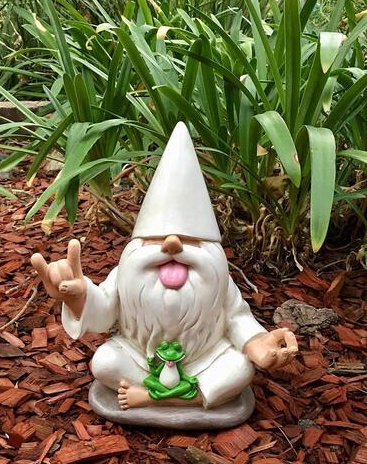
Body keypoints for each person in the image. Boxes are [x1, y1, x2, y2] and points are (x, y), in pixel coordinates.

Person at [31, 123, 298, 411]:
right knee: (105, 362)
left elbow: (237, 318)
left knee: (240, 367)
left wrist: (258, 345)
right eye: (156, 239)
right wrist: (77, 297)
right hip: (140, 359)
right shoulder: (126, 275)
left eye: (191, 241)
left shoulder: (218, 280)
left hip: (205, 360)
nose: (172, 245)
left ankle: (149, 397)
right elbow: (103, 313)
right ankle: (179, 396)